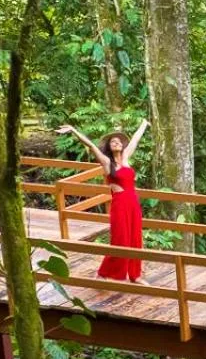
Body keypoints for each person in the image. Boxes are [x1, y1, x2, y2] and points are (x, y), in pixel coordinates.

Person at [56, 119, 149, 282]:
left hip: (133, 202)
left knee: (135, 239)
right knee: (121, 240)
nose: (116, 143)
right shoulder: (107, 162)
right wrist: (73, 130)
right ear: (109, 146)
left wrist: (144, 124)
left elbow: (135, 139)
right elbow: (91, 146)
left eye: (119, 141)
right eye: (113, 142)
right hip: (119, 203)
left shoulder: (126, 158)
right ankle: (104, 273)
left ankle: (135, 275)